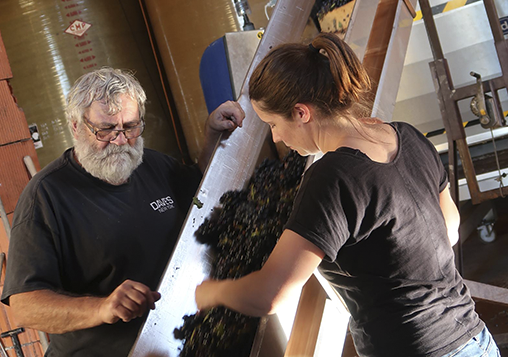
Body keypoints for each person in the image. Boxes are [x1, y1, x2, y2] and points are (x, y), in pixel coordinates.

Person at [196, 32, 499, 357]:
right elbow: (449, 229)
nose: (278, 138)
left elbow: (271, 296)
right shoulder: (406, 135)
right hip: (474, 338)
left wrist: (210, 293)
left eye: (272, 123)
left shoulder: (332, 178)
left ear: (301, 113)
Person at [1, 67, 244, 357]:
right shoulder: (46, 197)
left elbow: (201, 196)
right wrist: (102, 308)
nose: (119, 141)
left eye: (130, 127)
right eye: (105, 130)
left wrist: (212, 137)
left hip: (176, 343)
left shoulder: (154, 165)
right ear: (76, 126)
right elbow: (26, 306)